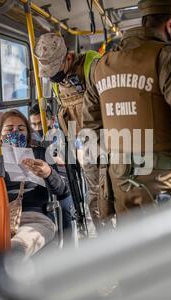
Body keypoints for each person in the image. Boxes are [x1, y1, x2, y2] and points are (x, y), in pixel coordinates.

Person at [82, 0, 171, 217]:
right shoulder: (170, 56)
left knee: (135, 246)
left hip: (118, 180)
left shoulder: (100, 66)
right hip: (162, 178)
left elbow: (90, 126)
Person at [0, 110, 71, 257]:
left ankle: (12, 256)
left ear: (28, 133)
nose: (15, 132)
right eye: (9, 129)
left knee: (20, 245)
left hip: (35, 216)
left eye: (21, 129)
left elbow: (61, 190)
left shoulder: (41, 153)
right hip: (0, 217)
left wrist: (48, 173)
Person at [34, 33, 107, 232]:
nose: (53, 77)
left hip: (110, 141)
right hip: (87, 145)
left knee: (113, 193)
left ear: (68, 57)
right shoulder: (58, 82)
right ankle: (105, 238)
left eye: (55, 71)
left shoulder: (92, 65)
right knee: (94, 196)